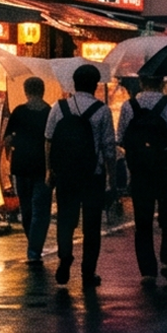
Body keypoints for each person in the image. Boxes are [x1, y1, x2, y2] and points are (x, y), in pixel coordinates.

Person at [47, 65, 117, 289]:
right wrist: (112, 180)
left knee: (66, 221)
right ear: (95, 85)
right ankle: (88, 272)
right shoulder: (102, 110)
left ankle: (65, 258)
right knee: (91, 226)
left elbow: (48, 140)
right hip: (92, 175)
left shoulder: (59, 107)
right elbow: (108, 148)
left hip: (65, 174)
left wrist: (50, 171)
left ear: (73, 83)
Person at [121, 74, 167, 285]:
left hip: (139, 172)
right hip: (165, 170)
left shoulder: (128, 106)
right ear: (161, 83)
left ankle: (148, 271)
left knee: (143, 222)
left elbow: (122, 138)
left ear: (141, 82)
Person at [3, 76, 53, 266]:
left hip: (21, 166)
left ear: (26, 91)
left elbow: (7, 139)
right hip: (43, 167)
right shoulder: (50, 112)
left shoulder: (19, 112)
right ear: (43, 90)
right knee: (41, 210)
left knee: (26, 209)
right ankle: (34, 250)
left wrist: (10, 154)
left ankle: (33, 246)